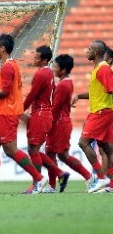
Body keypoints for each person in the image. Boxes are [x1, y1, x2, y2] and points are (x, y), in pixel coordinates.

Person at [0, 34, 47, 194]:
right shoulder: (8, 66)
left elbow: (6, 92)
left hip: (7, 113)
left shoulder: (8, 67)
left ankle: (39, 178)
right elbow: (6, 88)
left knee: (10, 150)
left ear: (2, 48)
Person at [22, 46, 69, 193]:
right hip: (45, 114)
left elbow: (32, 95)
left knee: (33, 150)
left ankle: (37, 183)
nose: (34, 59)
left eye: (37, 58)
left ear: (44, 60)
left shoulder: (41, 74)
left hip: (40, 114)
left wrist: (20, 109)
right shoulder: (48, 73)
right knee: (34, 149)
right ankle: (59, 173)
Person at [45, 54, 92, 192]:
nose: (53, 68)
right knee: (58, 155)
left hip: (59, 123)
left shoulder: (63, 85)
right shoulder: (67, 83)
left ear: (63, 70)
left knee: (53, 154)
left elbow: (55, 108)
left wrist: (46, 121)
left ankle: (88, 177)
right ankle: (87, 177)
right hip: (62, 122)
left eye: (56, 66)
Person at [71, 40, 113, 193]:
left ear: (95, 52)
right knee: (106, 148)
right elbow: (100, 92)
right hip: (103, 110)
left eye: (89, 49)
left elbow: (110, 89)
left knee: (83, 143)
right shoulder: (99, 69)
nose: (86, 51)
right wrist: (79, 96)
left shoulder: (103, 69)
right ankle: (110, 185)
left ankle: (101, 179)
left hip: (101, 112)